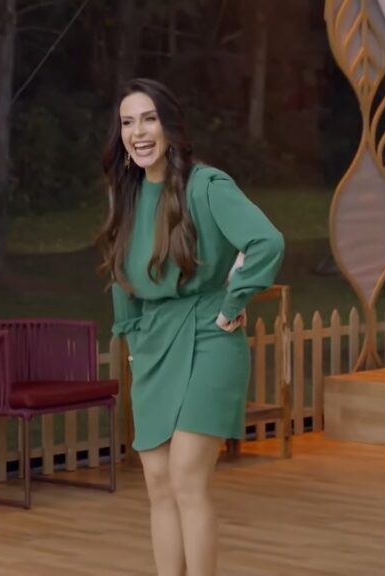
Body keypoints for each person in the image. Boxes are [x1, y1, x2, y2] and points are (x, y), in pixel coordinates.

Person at [95, 78, 285, 576]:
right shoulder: (126, 194)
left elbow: (266, 242)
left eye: (149, 119)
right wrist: (132, 339)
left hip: (208, 337)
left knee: (186, 477)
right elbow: (122, 276)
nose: (138, 132)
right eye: (128, 122)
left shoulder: (207, 185)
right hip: (153, 343)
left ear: (170, 125)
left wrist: (232, 301)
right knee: (157, 481)